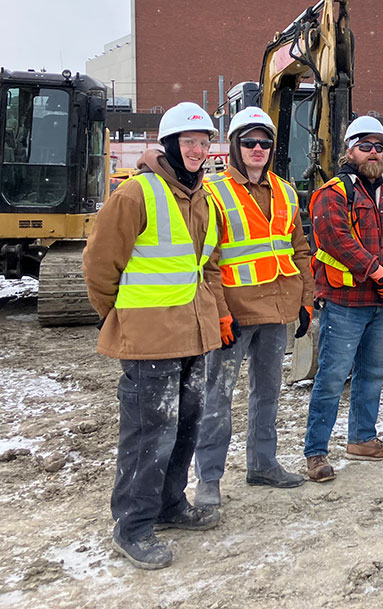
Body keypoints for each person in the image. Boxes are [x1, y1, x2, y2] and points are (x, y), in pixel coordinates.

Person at [83, 102, 224, 570]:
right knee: (148, 434)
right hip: (150, 341)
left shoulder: (204, 197)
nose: (198, 151)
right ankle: (132, 526)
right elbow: (100, 267)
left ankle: (169, 504)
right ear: (168, 145)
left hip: (195, 336)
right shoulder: (136, 195)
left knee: (184, 426)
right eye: (189, 143)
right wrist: (119, 320)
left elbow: (207, 267)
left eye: (204, 143)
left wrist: (215, 317)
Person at [194, 108, 312, 508]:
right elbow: (207, 261)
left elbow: (299, 250)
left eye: (264, 143)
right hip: (236, 314)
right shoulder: (214, 192)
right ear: (235, 146)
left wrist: (305, 302)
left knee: (268, 394)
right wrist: (220, 312)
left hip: (277, 311)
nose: (258, 149)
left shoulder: (285, 191)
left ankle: (262, 463)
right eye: (249, 142)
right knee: (218, 396)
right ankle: (208, 478)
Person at [303, 116, 383, 481]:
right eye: (366, 146)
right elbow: (336, 239)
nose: (374, 153)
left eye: (379, 148)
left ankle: (362, 439)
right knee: (333, 377)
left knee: (371, 374)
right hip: (344, 302)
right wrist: (378, 272)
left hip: (382, 303)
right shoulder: (332, 194)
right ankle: (316, 452)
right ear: (349, 150)